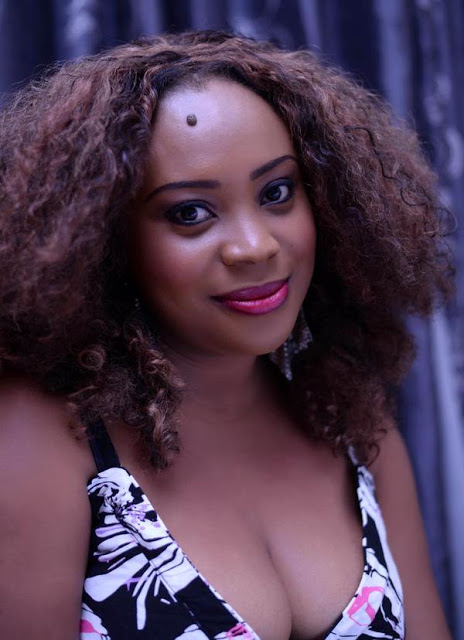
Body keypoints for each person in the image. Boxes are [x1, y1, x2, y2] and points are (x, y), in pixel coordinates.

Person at [0, 29, 454, 640]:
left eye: (276, 193)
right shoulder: (45, 438)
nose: (254, 246)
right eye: (190, 212)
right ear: (102, 238)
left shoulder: (353, 428)